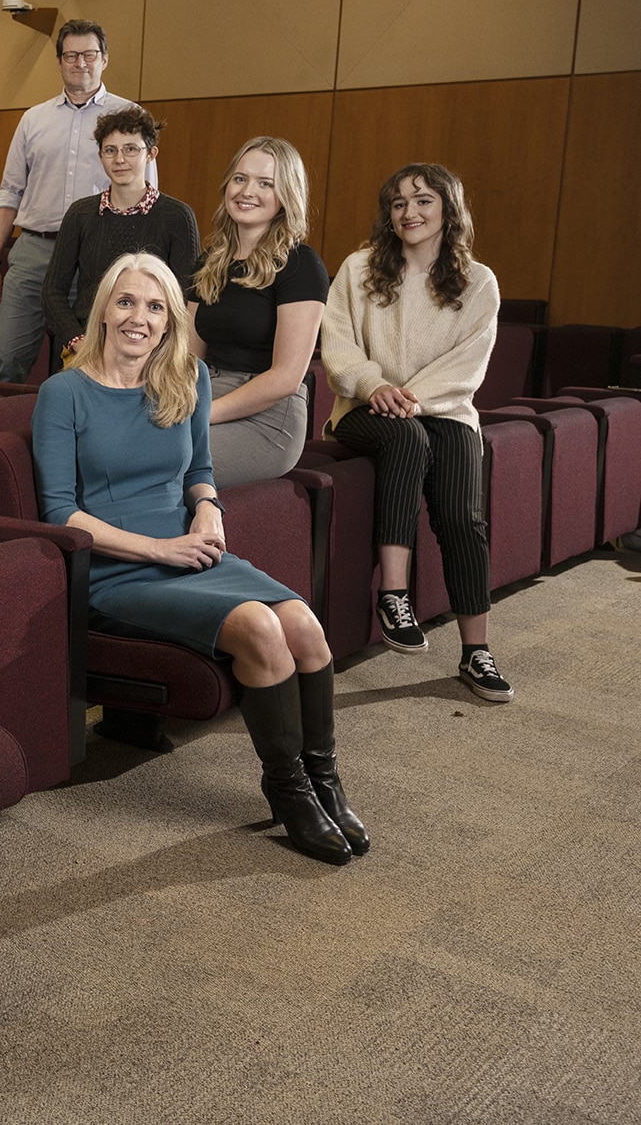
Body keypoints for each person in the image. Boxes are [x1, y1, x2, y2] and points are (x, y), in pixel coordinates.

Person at [33, 253, 365, 866]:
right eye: (126, 301)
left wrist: (208, 509)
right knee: (262, 628)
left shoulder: (187, 379)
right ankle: (287, 790)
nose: (139, 317)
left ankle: (325, 781)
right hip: (115, 567)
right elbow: (60, 513)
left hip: (191, 550)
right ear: (104, 308)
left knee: (306, 628)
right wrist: (162, 548)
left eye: (155, 306)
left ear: (170, 321)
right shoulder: (64, 393)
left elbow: (199, 470)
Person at [322, 164, 510, 701]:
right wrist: (373, 384)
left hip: (446, 410)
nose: (410, 213)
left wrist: (411, 398)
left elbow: (468, 365)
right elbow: (335, 346)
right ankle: (394, 594)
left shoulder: (479, 281)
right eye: (399, 203)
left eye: (423, 201)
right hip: (364, 407)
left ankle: (477, 653)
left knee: (462, 517)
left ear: (448, 210)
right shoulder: (359, 269)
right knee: (408, 438)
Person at [0, 18, 151, 382]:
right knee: (8, 358)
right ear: (58, 62)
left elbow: (146, 197)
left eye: (89, 54)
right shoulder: (33, 119)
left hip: (98, 256)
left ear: (105, 59)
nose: (80, 63)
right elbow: (9, 192)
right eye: (71, 55)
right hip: (33, 252)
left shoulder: (130, 117)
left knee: (83, 365)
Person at [187, 136, 327, 487]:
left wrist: (202, 415)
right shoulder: (208, 263)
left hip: (268, 418)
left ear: (285, 196)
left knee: (164, 463)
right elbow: (187, 358)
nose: (248, 191)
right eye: (240, 178)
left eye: (265, 183)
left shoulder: (301, 265)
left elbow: (285, 378)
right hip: (205, 395)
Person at [41, 107, 198, 357]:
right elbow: (52, 290)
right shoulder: (80, 213)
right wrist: (78, 341)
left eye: (131, 149)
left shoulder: (177, 216)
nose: (120, 159)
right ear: (101, 155)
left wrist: (158, 347)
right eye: (110, 150)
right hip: (87, 345)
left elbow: (185, 296)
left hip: (150, 347)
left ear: (151, 154)